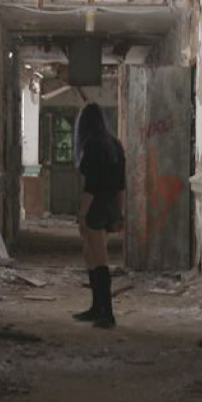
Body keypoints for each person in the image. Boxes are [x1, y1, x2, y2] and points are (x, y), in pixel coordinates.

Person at [71, 102, 126, 328]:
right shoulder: (114, 144)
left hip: (96, 205)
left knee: (100, 257)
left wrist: (82, 214)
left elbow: (91, 186)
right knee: (90, 254)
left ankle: (107, 313)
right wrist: (119, 212)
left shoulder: (92, 146)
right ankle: (96, 308)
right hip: (111, 204)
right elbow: (122, 184)